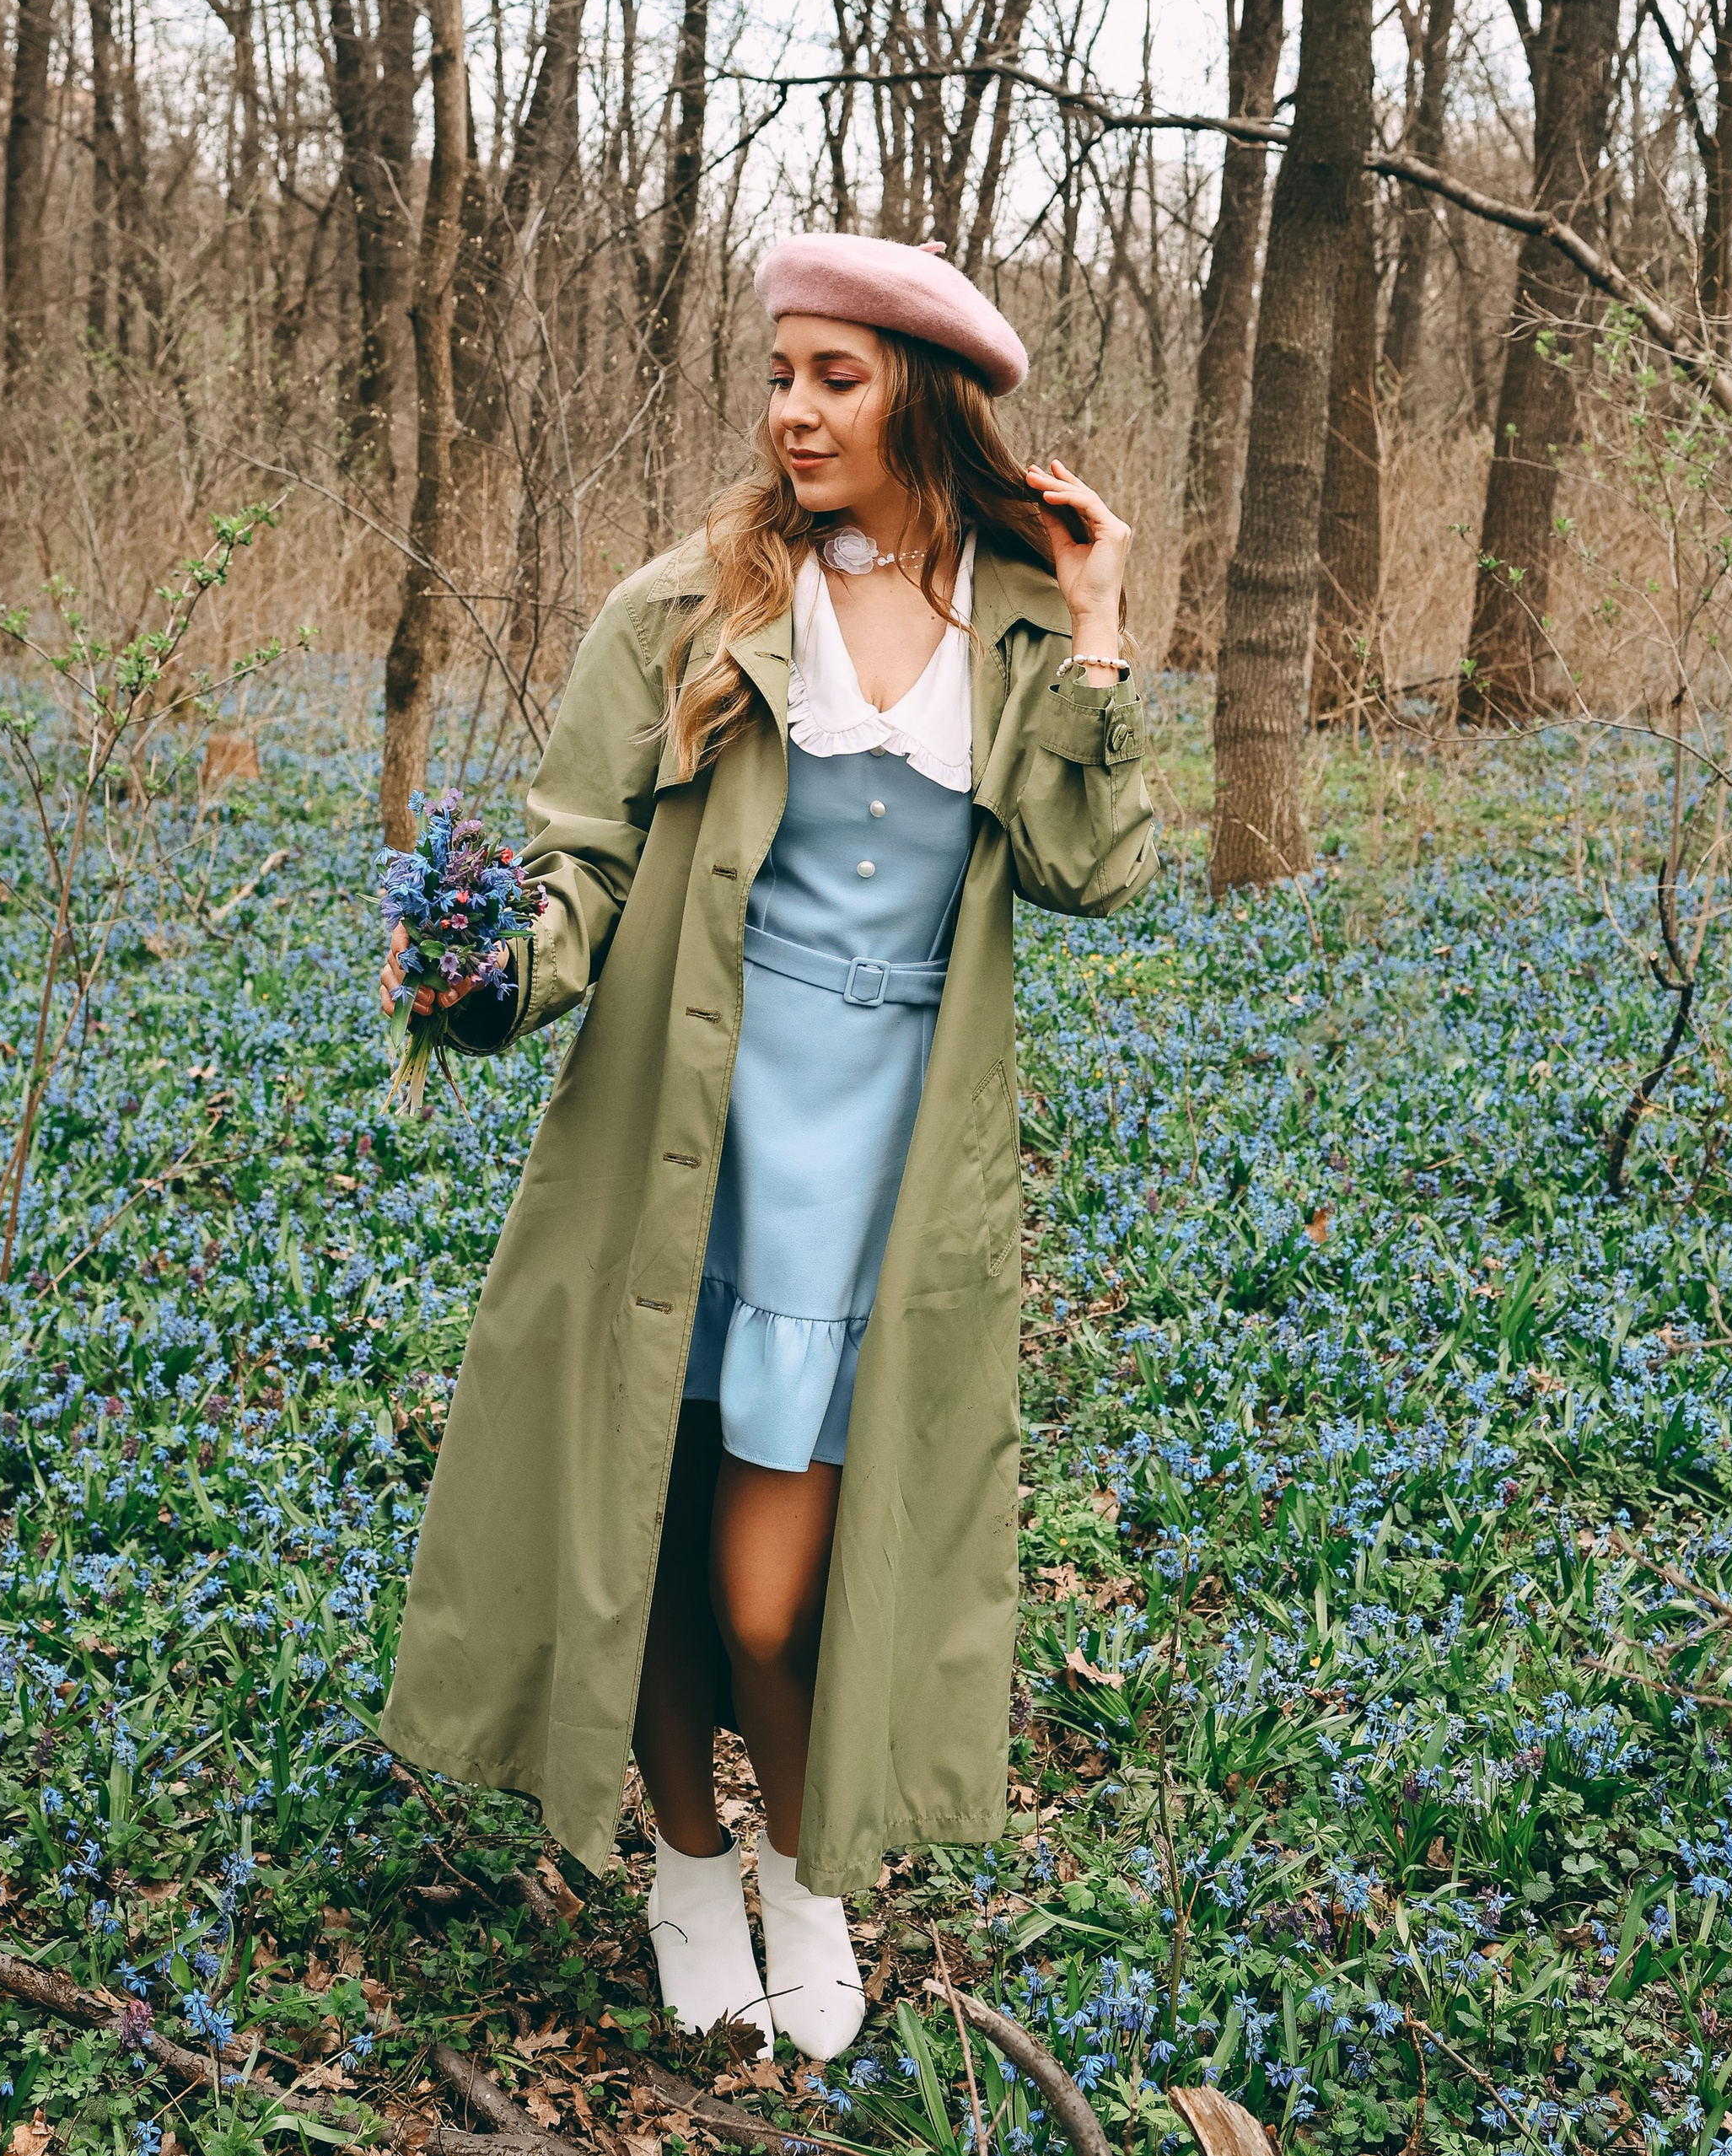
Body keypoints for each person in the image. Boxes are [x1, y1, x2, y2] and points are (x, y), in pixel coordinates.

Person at [377, 233, 1157, 2058]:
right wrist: (489, 975)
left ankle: (801, 1881)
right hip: (681, 1126)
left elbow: (1087, 867)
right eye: (783, 372)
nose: (792, 410)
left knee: (770, 1583)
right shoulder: (688, 605)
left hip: (876, 1166)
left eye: (837, 377)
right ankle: (680, 1872)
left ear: (926, 398)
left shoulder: (1024, 618)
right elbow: (578, 858)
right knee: (645, 1523)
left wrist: (1105, 625)